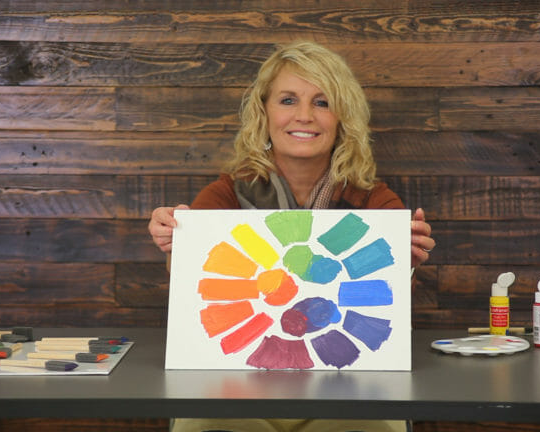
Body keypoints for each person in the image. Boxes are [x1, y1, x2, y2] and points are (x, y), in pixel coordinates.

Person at [149, 40, 434, 432]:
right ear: (263, 112)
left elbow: (384, 307)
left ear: (342, 119)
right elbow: (195, 295)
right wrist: (173, 244)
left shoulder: (373, 203)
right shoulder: (225, 196)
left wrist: (408, 261)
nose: (304, 116)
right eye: (287, 100)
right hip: (237, 384)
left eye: (322, 102)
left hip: (347, 385)